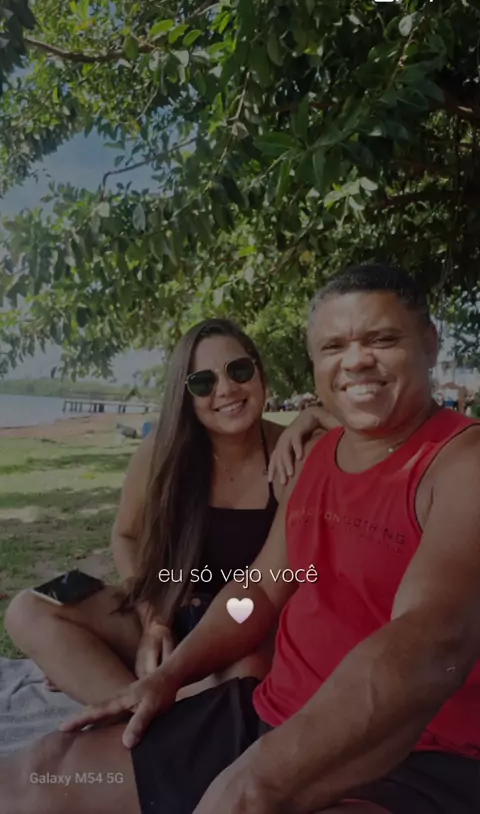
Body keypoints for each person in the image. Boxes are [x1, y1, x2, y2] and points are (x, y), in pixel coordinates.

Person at [5, 262, 480, 814]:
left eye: (381, 339)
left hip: (416, 751)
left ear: (430, 343)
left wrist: (260, 777)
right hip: (269, 713)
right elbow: (260, 590)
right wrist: (170, 676)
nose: (355, 361)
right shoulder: (316, 460)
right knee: (40, 776)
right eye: (333, 347)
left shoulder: (460, 464)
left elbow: (431, 642)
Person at [4, 317, 332, 707]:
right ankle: (138, 710)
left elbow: (378, 424)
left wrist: (314, 415)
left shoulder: (294, 453)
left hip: (245, 633)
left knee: (250, 672)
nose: (226, 389)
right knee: (29, 609)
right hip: (170, 612)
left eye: (239, 370)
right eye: (203, 382)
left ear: (260, 373)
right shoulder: (161, 452)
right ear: (185, 394)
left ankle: (141, 708)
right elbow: (126, 535)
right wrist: (154, 622)